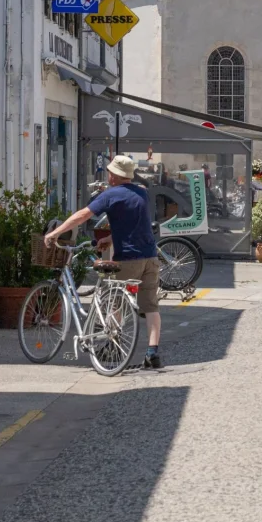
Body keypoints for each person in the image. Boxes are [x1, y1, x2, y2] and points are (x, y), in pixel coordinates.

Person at [44, 154, 163, 369]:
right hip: (150, 256)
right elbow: (133, 224)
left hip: (128, 258)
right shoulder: (142, 194)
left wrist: (56, 233)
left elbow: (82, 215)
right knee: (151, 306)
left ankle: (111, 346)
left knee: (113, 303)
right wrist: (110, 238)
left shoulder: (111, 195)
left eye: (110, 171)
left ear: (115, 175)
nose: (108, 174)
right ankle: (152, 353)